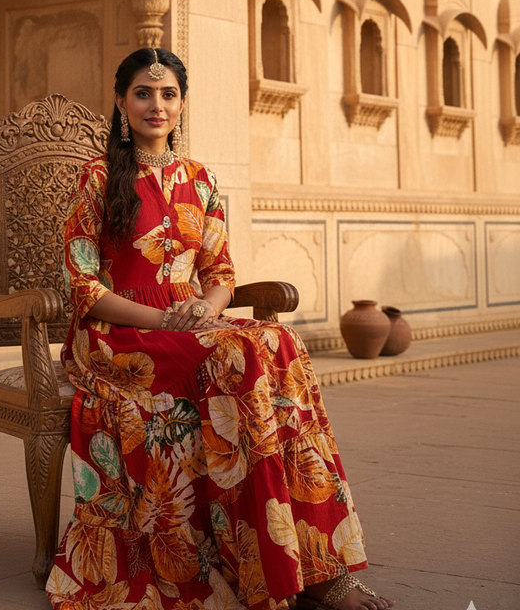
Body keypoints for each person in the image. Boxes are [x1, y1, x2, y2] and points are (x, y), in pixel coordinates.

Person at [46, 48, 395, 610]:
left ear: (181, 104)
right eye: (142, 93)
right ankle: (274, 567)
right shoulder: (97, 177)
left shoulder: (199, 178)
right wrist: (166, 318)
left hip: (193, 323)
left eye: (168, 94)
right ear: (120, 101)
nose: (155, 105)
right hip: (121, 334)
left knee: (282, 342)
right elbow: (84, 287)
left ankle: (317, 560)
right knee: (243, 358)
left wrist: (206, 309)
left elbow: (221, 271)